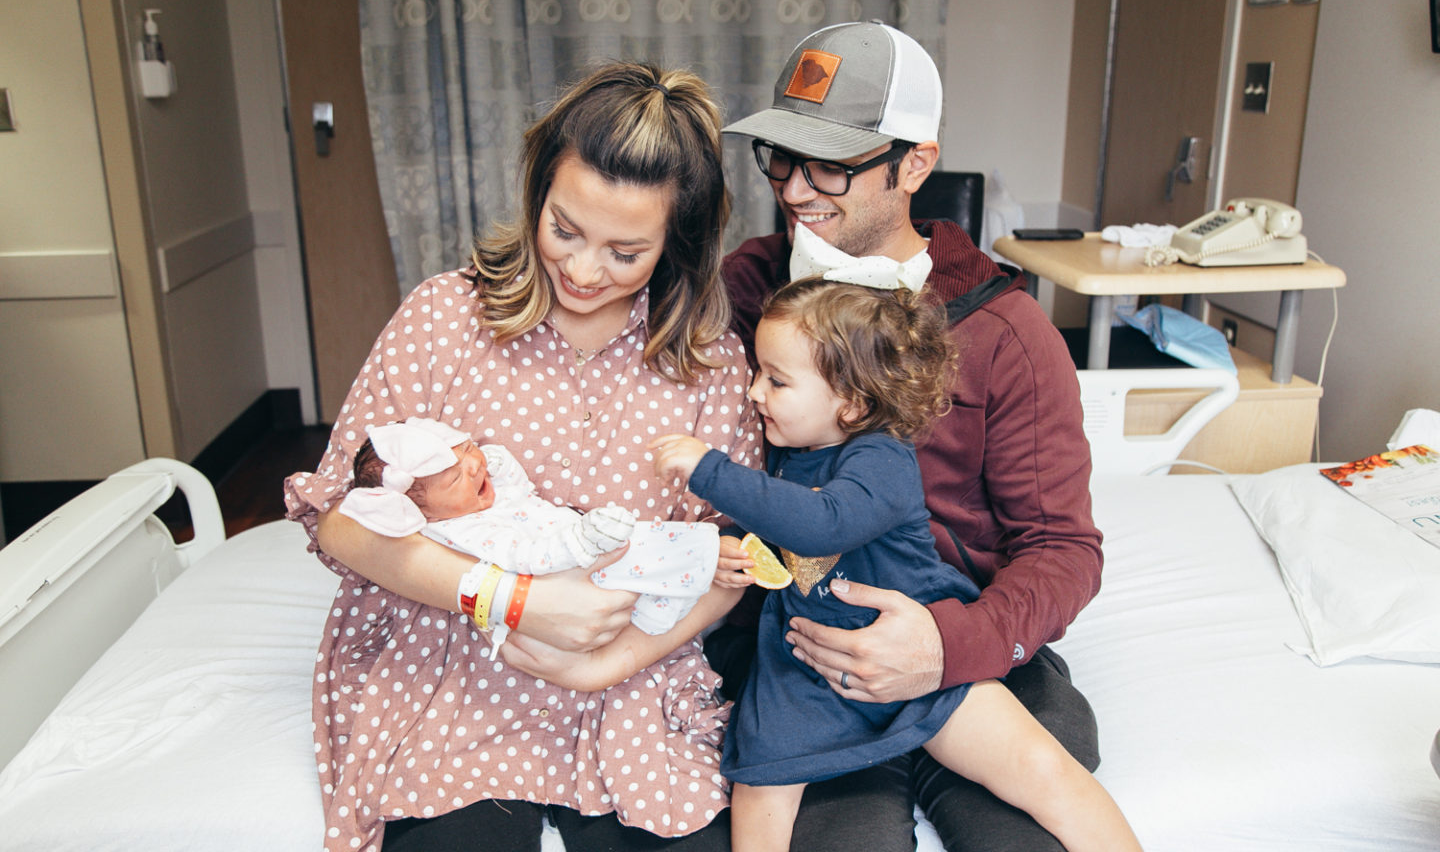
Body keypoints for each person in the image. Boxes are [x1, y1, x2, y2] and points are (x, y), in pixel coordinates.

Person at [283, 62, 762, 852]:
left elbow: (727, 558)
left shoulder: (709, 363)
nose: (582, 270)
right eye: (564, 229)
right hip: (451, 666)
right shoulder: (444, 318)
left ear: (675, 243)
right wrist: (507, 599)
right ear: (538, 192)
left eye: (624, 252)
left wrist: (602, 668)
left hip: (627, 672)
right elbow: (339, 518)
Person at [712, 21, 1105, 851]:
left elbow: (1063, 549)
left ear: (915, 165)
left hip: (962, 640)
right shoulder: (746, 293)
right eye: (781, 158)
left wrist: (944, 647)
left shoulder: (1006, 333)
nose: (794, 190)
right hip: (806, 653)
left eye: (830, 165)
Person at [650, 277, 1139, 852]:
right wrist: (731, 546)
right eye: (759, 374)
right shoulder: (787, 454)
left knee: (1041, 770)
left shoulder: (882, 459)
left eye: (776, 381)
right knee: (757, 782)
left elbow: (822, 523)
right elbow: (774, 519)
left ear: (853, 403)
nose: (755, 393)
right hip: (808, 663)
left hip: (919, 655)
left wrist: (708, 470)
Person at [342, 416, 719, 642]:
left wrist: (491, 462)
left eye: (469, 449)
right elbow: (524, 558)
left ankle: (671, 594)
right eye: (455, 477)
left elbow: (517, 488)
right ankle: (695, 566)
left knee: (647, 549)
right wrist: (581, 540)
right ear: (422, 512)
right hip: (566, 573)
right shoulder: (463, 533)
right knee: (648, 549)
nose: (474, 467)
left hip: (576, 548)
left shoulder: (476, 498)